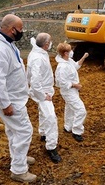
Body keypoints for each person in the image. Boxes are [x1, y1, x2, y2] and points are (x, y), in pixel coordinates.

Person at [0, 15, 37, 183]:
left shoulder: (7, 44)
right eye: (20, 29)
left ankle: (18, 158)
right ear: (12, 29)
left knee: (14, 130)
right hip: (9, 100)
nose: (22, 33)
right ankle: (19, 170)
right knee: (24, 131)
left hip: (16, 98)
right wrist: (5, 104)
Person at [26, 33, 62, 163]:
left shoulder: (37, 51)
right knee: (51, 118)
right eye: (50, 41)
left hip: (42, 89)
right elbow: (35, 80)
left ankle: (43, 133)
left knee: (43, 112)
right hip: (42, 91)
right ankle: (51, 147)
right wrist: (43, 95)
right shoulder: (38, 58)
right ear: (46, 44)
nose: (51, 43)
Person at [55, 42, 88, 142]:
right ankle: (77, 131)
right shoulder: (62, 67)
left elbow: (76, 66)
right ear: (65, 53)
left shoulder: (68, 61)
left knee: (69, 108)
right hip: (68, 91)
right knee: (81, 110)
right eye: (70, 50)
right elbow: (61, 82)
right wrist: (75, 85)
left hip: (72, 91)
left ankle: (68, 126)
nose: (72, 52)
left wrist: (83, 57)